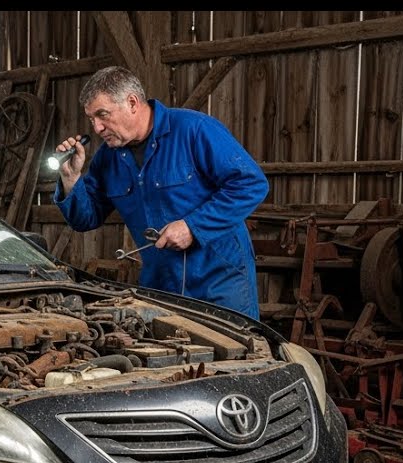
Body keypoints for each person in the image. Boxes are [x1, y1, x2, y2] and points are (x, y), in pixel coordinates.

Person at [51, 66, 268, 319]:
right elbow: (84, 219)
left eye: (103, 115)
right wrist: (71, 178)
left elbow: (251, 183)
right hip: (160, 286)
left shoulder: (194, 130)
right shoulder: (107, 160)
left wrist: (192, 227)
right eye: (91, 119)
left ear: (132, 102)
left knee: (234, 356)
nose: (97, 128)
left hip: (220, 283)